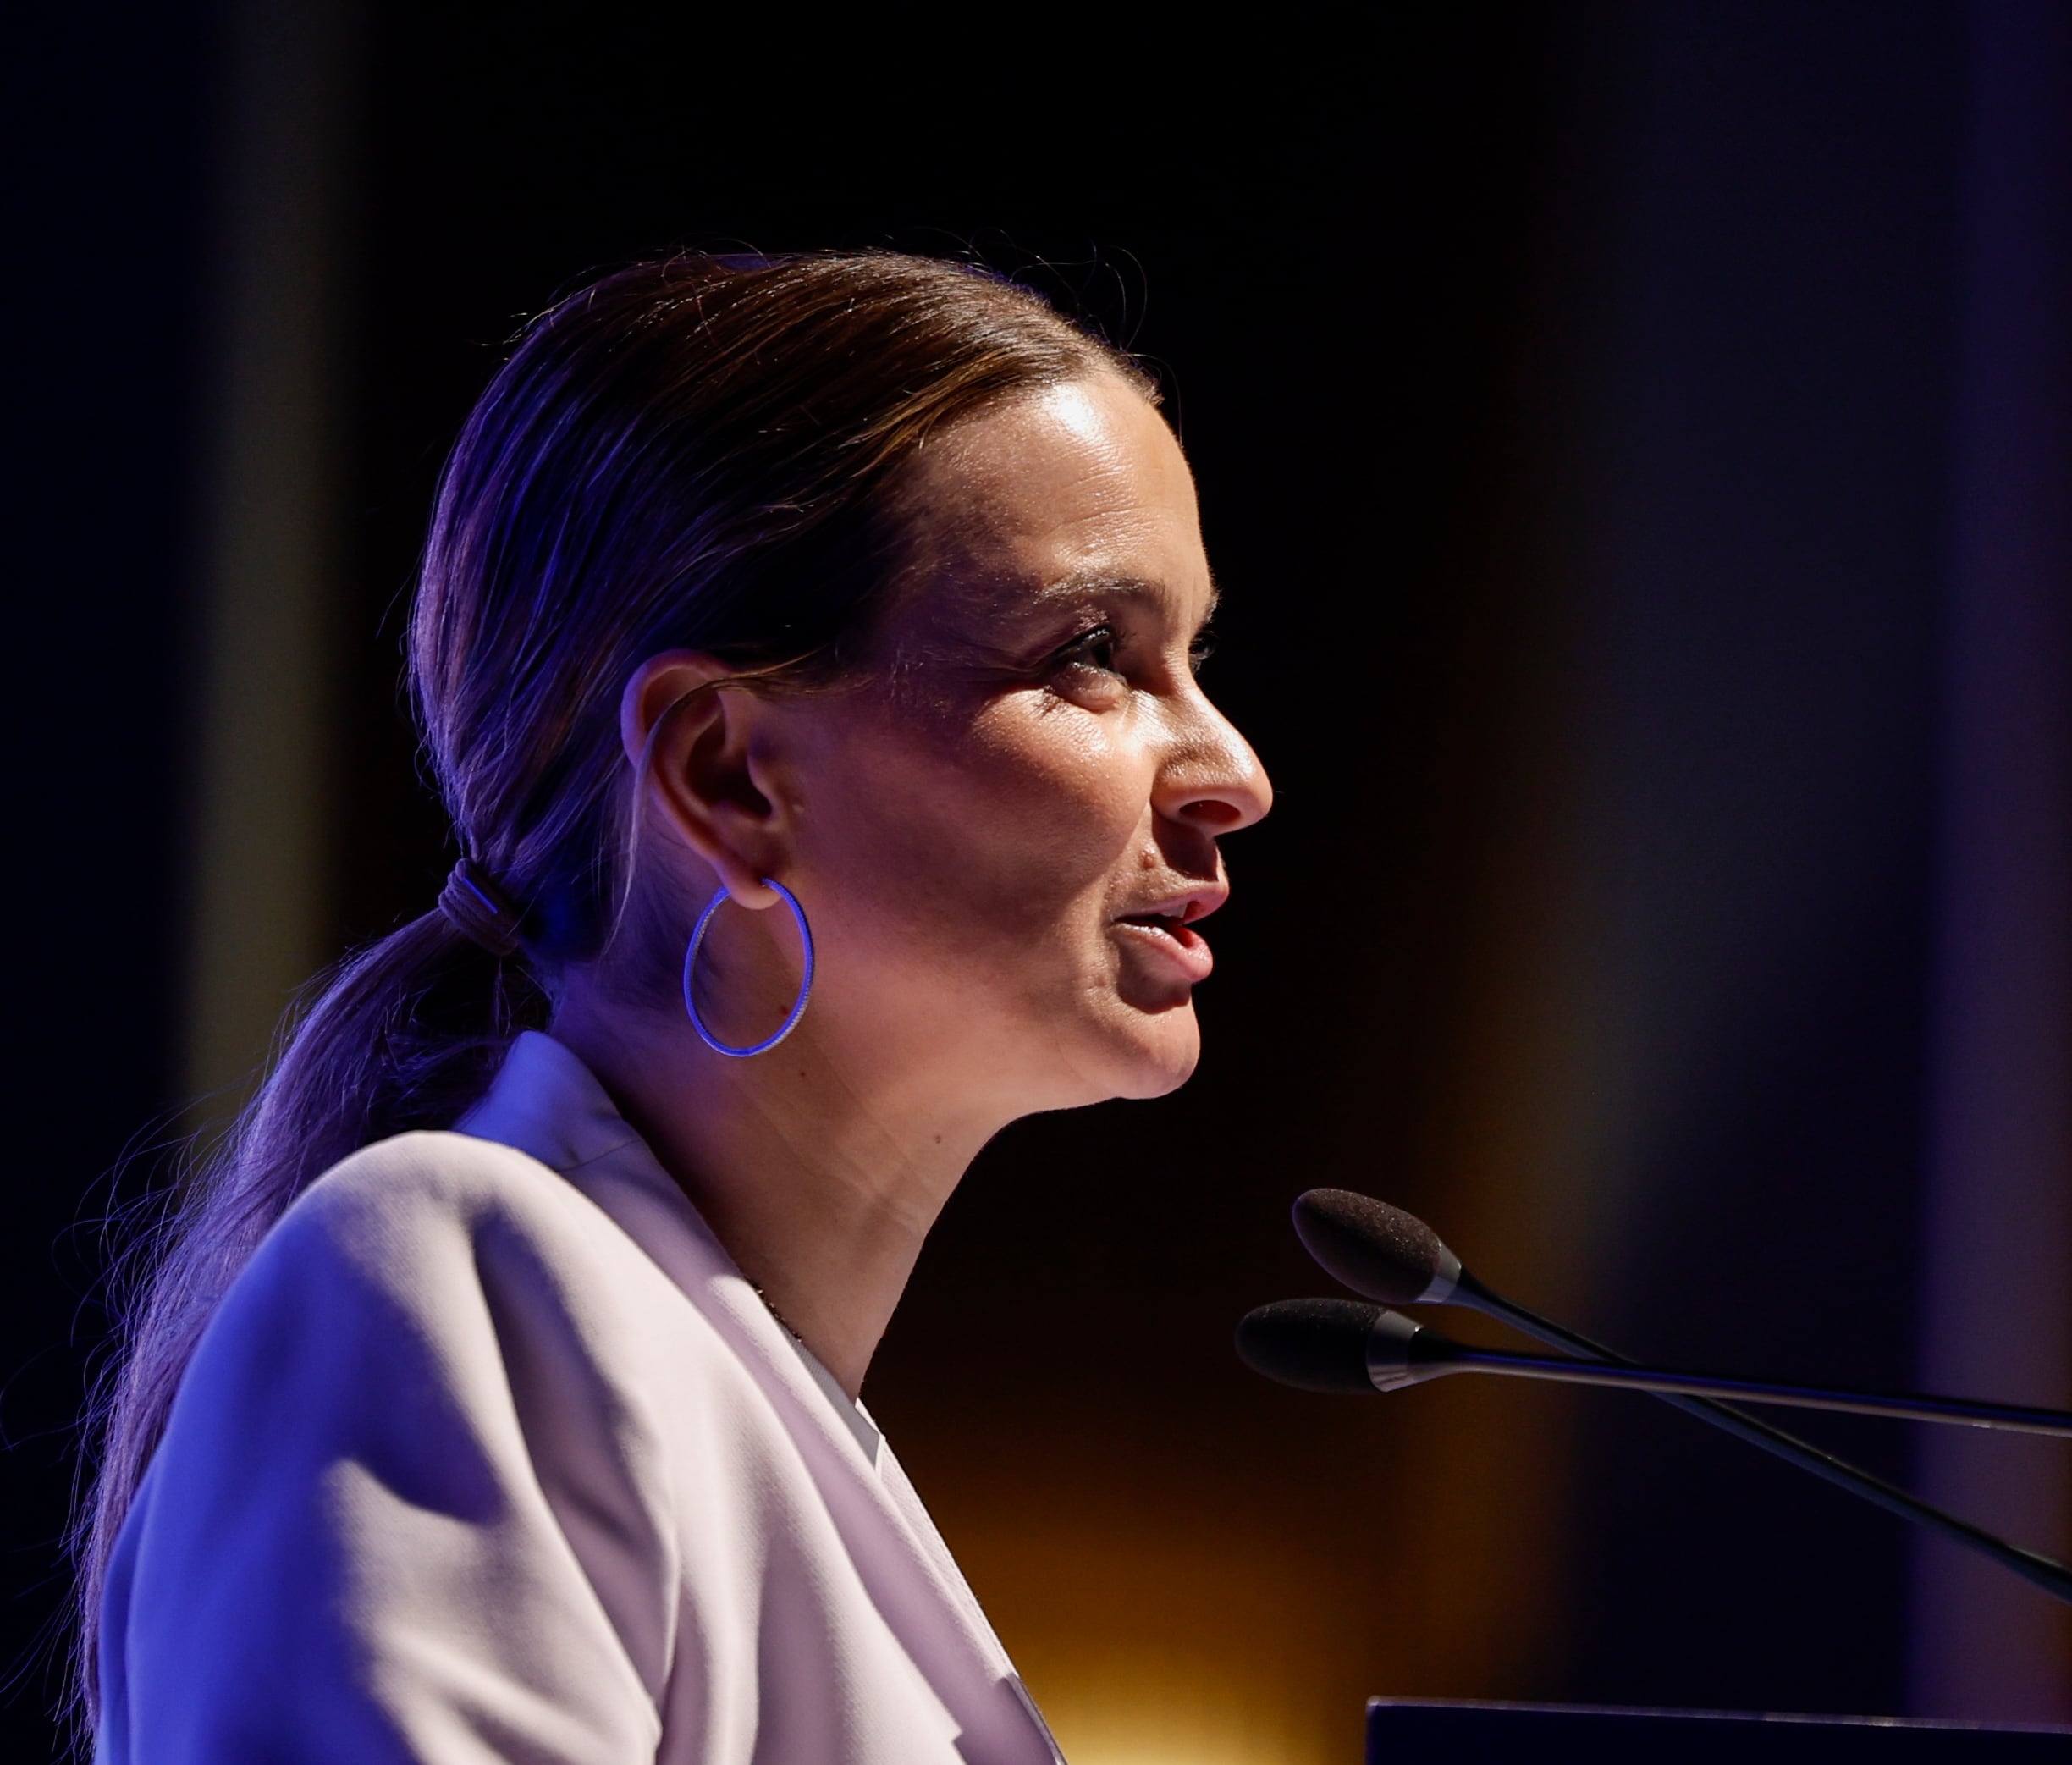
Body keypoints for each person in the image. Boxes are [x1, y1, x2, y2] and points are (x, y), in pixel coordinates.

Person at [75, 251, 1273, 1762]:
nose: (1236, 769)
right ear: (724, 774)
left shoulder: (731, 1391)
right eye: (1093, 655)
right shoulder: (462, 1286)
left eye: (1194, 657)